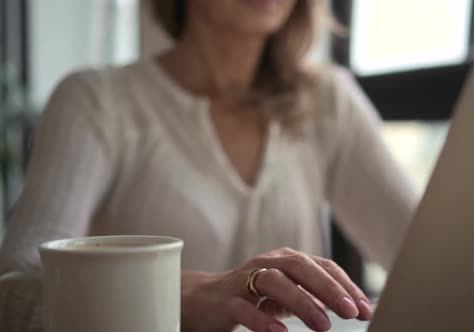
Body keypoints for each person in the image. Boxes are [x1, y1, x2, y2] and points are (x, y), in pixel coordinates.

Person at [0, 0, 418, 331]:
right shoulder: (95, 101)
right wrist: (166, 297)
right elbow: (13, 291)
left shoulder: (329, 99)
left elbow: (432, 260)